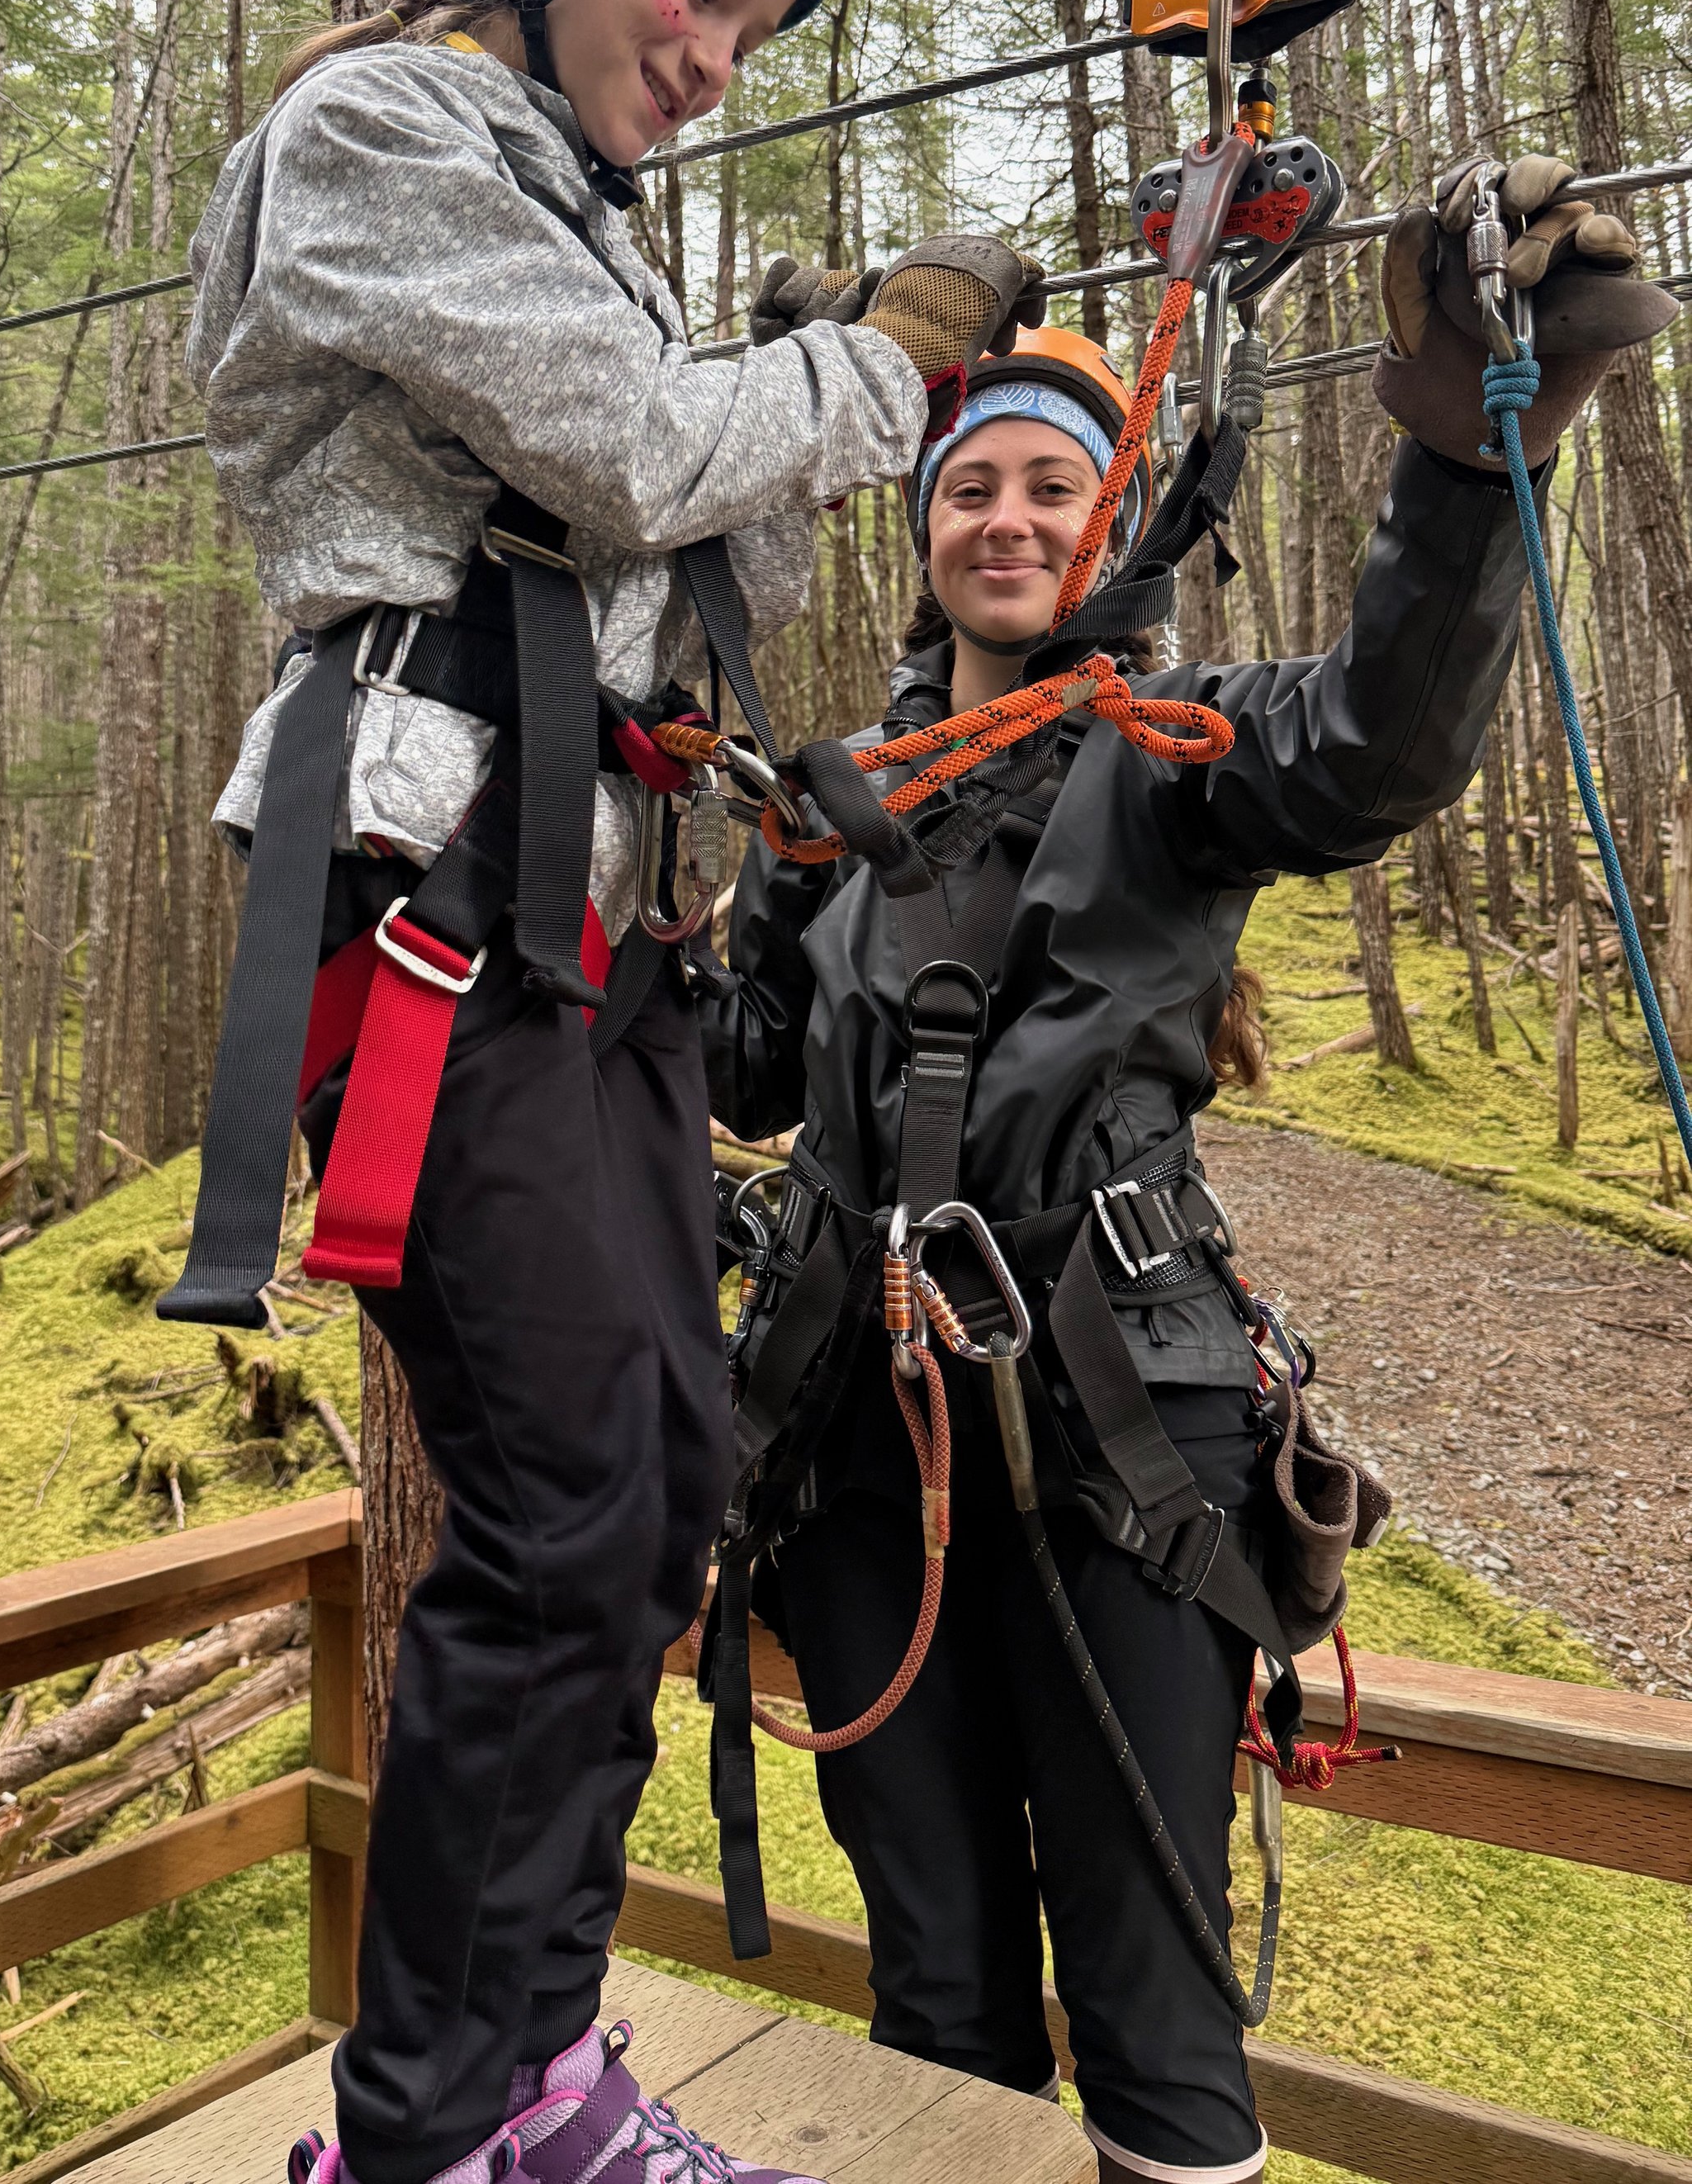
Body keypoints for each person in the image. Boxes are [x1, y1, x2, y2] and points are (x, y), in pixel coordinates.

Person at [164, 0, 1045, 2184]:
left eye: (756, 20)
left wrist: (800, 377)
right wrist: (866, 361)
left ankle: (522, 2070)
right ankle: (437, 2123)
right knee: (564, 1504)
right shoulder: (377, 134)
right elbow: (642, 447)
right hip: (436, 896)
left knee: (651, 1494)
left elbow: (688, 528)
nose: (715, 54)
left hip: (596, 935)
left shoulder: (570, 209)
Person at [698, 163, 1676, 2184]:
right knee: (933, 1982)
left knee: (1152, 1995)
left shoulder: (1172, 743)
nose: (1004, 518)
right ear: (922, 526)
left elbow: (1380, 744)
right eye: (970, 487)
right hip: (856, 1469)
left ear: (1101, 527)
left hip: (1120, 1448)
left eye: (1050, 490)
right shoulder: (829, 815)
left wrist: (1465, 457)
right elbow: (734, 1068)